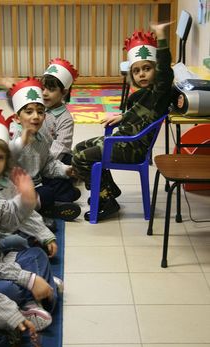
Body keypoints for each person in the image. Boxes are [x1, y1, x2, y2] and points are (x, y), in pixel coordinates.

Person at [72, 22, 174, 221]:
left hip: (131, 148)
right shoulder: (144, 95)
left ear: (156, 70)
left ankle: (106, 200)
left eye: (147, 69)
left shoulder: (159, 93)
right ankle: (109, 189)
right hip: (124, 141)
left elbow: (165, 73)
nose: (142, 74)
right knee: (78, 148)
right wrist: (123, 117)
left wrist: (161, 37)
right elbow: (141, 114)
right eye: (136, 71)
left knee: (80, 159)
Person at [0, 131, 59, 347]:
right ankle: (24, 309)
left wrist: (26, 199)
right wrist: (29, 280)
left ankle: (29, 305)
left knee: (35, 254)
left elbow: (9, 213)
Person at [0, 110, 58, 257]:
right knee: (19, 242)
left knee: (26, 238)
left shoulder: (6, 182)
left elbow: (22, 211)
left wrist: (44, 234)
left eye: (0, 158)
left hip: (4, 231)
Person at [8, 78, 81, 221]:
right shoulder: (12, 136)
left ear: (44, 115)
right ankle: (50, 208)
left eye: (40, 112)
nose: (36, 116)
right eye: (29, 112)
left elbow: (48, 163)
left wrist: (65, 170)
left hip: (37, 182)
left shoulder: (43, 136)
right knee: (47, 193)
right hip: (15, 191)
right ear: (17, 118)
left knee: (62, 180)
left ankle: (56, 202)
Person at [41, 57, 79, 165]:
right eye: (43, 88)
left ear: (64, 92)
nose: (44, 93)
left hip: (53, 162)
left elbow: (60, 148)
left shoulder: (65, 119)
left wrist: (41, 165)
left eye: (51, 89)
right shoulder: (37, 108)